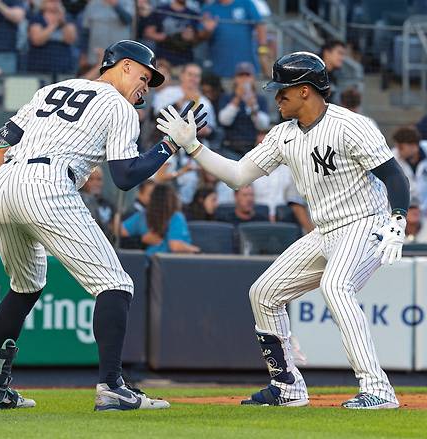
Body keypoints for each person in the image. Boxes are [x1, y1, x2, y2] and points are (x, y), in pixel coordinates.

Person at [156, 51, 409, 409]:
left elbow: (394, 175)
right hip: (326, 230)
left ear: (306, 90)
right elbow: (239, 176)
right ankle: (287, 385)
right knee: (264, 292)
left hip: (366, 222)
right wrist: (194, 147)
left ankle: (377, 389)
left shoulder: (351, 124)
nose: (276, 97)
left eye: (283, 91)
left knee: (336, 286)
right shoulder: (282, 135)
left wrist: (398, 218)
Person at [0, 40, 205, 411]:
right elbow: (125, 176)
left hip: (4, 182)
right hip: (47, 184)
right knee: (115, 284)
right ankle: (111, 386)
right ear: (124, 66)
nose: (146, 86)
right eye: (145, 76)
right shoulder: (118, 105)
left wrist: (5, 190)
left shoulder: (52, 89)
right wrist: (169, 146)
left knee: (25, 286)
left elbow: (1, 141)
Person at [121, 183, 200, 254]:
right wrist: (195, 250)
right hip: (169, 265)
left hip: (146, 262)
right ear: (172, 199)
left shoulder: (143, 215)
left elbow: (121, 231)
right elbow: (175, 246)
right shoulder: (176, 217)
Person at [198, 0, 268, 78]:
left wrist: (263, 49)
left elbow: (260, 25)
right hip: (220, 69)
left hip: (247, 68)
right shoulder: (208, 9)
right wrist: (208, 30)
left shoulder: (246, 3)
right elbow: (201, 36)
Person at [392, 127, 427, 220]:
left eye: (401, 147)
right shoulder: (392, 157)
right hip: (402, 212)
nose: (398, 150)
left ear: (414, 146)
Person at [218, 62, 271, 159]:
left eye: (247, 75)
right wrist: (237, 98)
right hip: (230, 147)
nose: (244, 79)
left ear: (253, 78)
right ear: (235, 79)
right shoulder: (226, 97)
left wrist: (253, 107)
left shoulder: (260, 99)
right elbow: (224, 120)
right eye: (240, 75)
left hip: (253, 148)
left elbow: (263, 125)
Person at [143, 0, 200, 67]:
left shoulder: (193, 14)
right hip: (162, 59)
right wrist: (168, 37)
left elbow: (197, 39)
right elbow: (148, 33)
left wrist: (191, 37)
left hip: (184, 60)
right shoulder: (161, 10)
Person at [26, 0, 78, 74]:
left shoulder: (66, 18)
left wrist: (62, 20)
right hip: (39, 66)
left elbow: (71, 39)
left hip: (62, 66)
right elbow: (37, 40)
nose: (54, 3)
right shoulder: (37, 18)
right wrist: (54, 24)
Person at [82, 0, 134, 66]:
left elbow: (128, 20)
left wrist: (115, 5)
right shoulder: (92, 4)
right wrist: (83, 54)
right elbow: (85, 32)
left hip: (119, 56)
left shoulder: (127, 2)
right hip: (96, 55)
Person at [79, 166, 117, 238]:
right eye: (91, 179)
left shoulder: (109, 204)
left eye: (99, 179)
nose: (95, 183)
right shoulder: (78, 202)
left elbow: (115, 231)